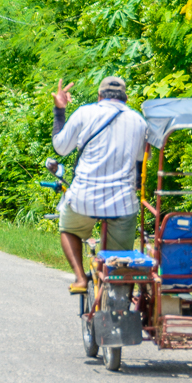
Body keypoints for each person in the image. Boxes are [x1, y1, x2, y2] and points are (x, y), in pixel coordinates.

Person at [51, 76, 148, 294]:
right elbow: (140, 164)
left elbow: (60, 148)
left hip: (84, 197)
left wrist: (59, 111)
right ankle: (118, 291)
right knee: (120, 259)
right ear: (126, 98)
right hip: (122, 203)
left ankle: (80, 279)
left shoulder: (85, 113)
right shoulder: (139, 121)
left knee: (68, 229)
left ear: (99, 96)